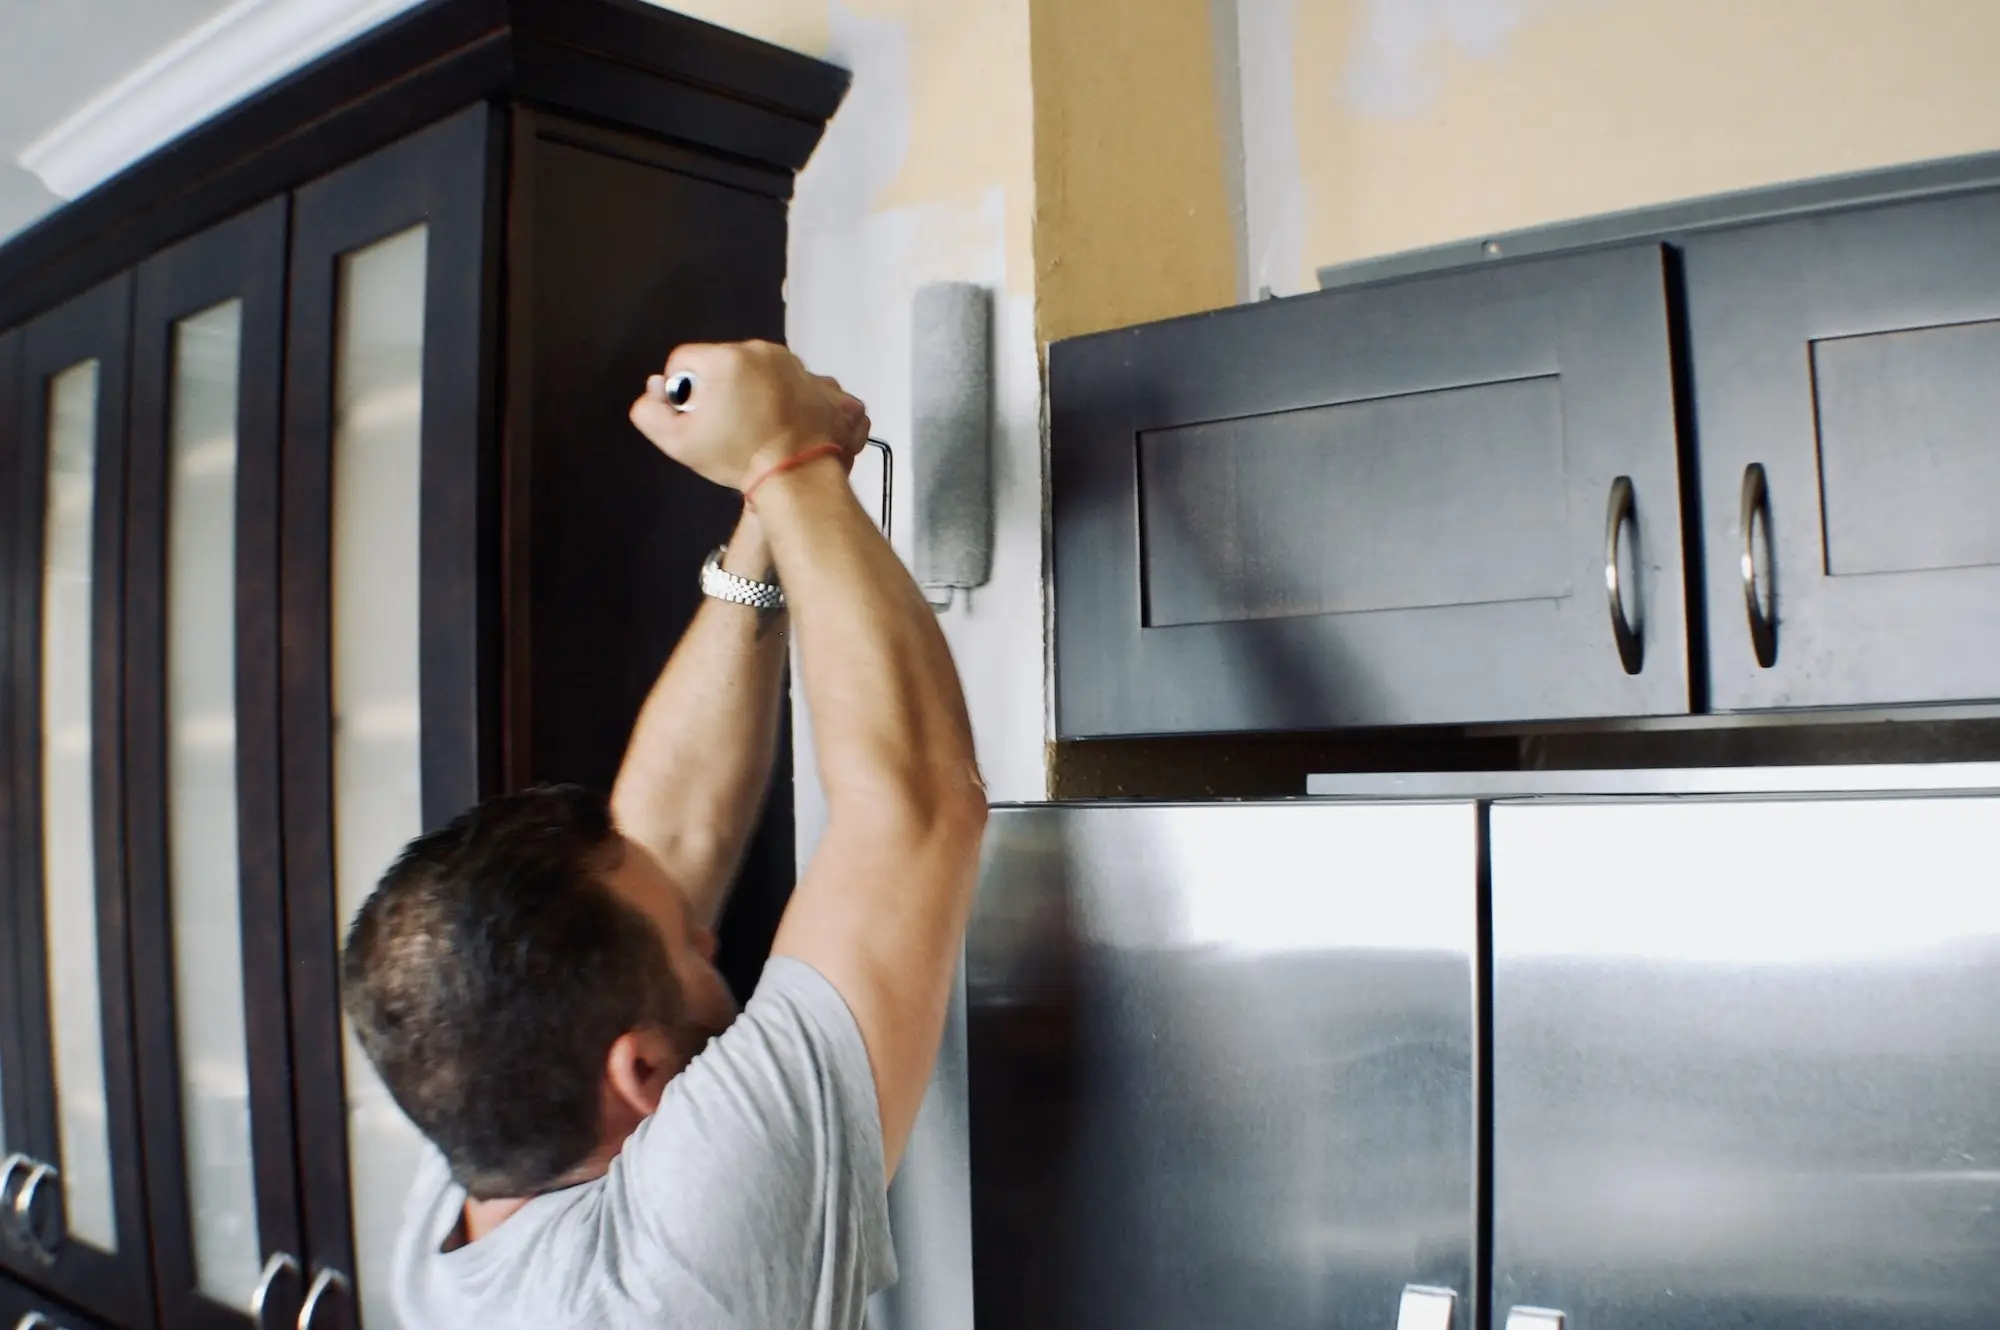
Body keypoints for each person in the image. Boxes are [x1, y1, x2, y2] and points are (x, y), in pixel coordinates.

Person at [340, 341, 989, 1329]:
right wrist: (787, 459)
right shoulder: (672, 1271)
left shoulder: (466, 1198)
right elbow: (912, 809)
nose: (703, 932)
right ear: (636, 1070)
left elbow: (664, 838)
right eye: (684, 948)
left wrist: (761, 529)